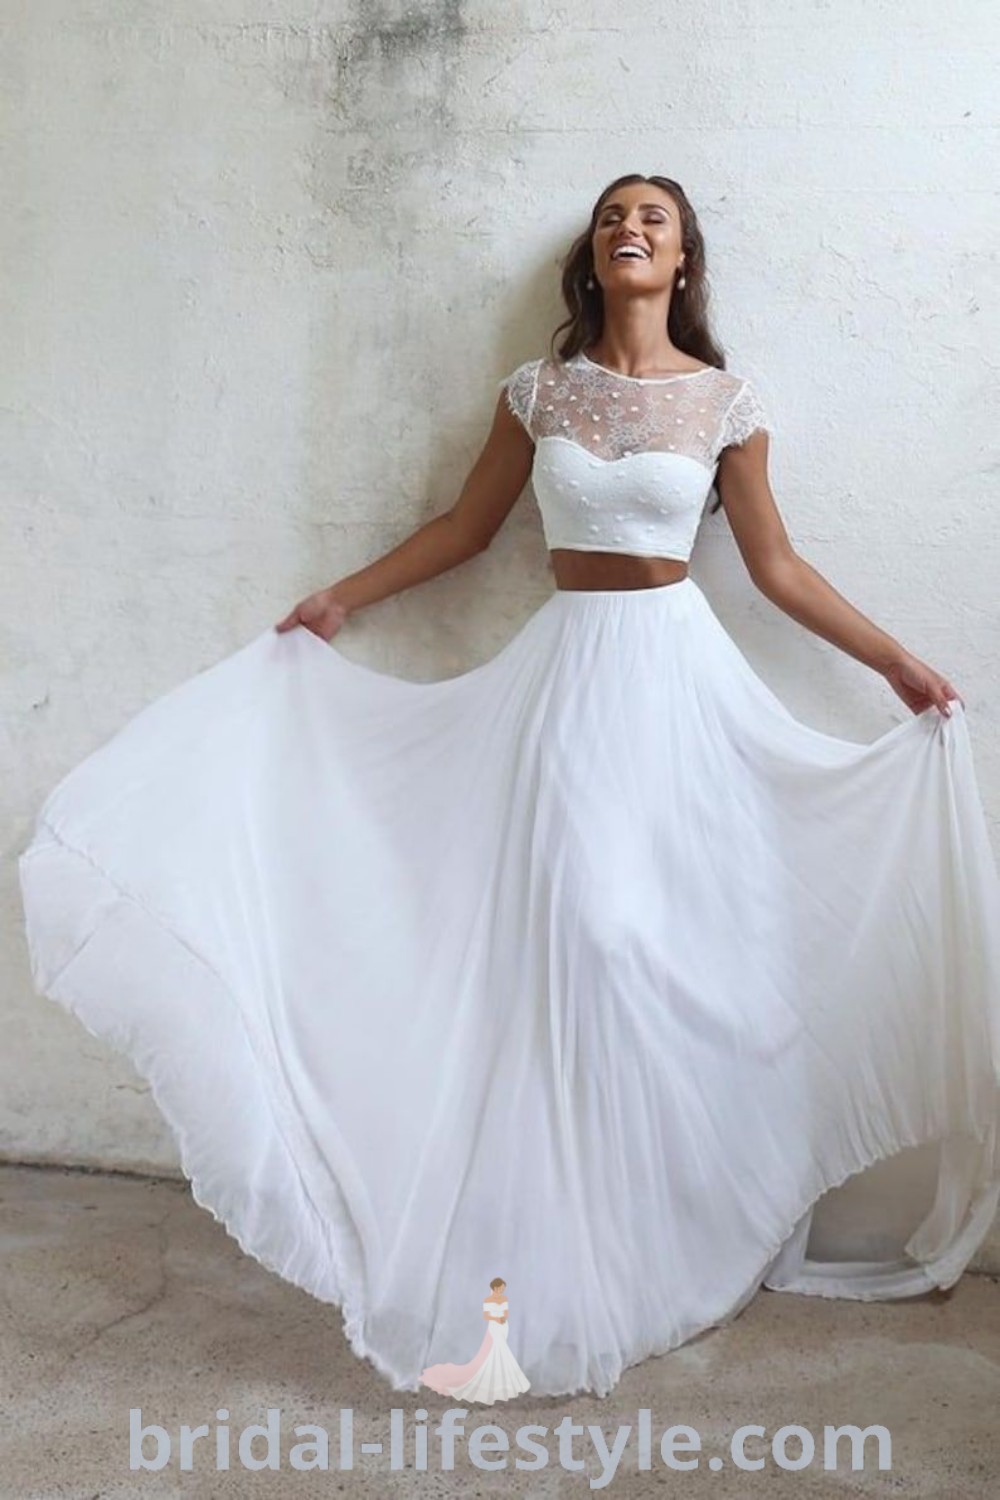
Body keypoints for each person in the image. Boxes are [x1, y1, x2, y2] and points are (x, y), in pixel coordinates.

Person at [18, 173, 1000, 1402]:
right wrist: (341, 599)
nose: (630, 228)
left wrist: (895, 663)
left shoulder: (726, 403)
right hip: (570, 679)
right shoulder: (538, 391)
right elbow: (466, 528)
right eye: (612, 217)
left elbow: (776, 566)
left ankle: (683, 1216)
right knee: (579, 932)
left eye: (653, 218)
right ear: (592, 258)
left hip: (681, 686)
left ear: (683, 260)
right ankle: (569, 1239)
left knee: (680, 948)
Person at [420, 1278, 531, 1402]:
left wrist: (502, 1318)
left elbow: (505, 1312)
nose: (501, 1290)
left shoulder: (504, 1299)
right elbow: (487, 1314)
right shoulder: (489, 1300)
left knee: (502, 1349)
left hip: (502, 1325)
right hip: (494, 1324)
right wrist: (496, 1318)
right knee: (492, 1348)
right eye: (500, 1288)